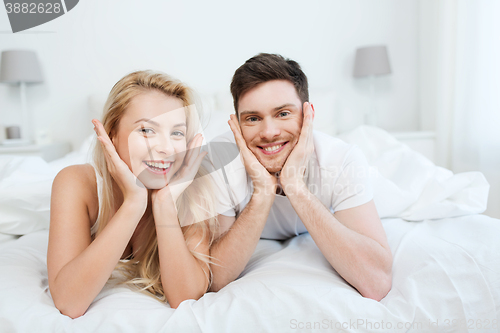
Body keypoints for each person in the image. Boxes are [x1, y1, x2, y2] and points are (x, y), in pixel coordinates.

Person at [208, 53, 393, 300]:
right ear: (237, 126)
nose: (269, 132)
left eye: (283, 113)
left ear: (308, 116)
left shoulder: (341, 159)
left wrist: (294, 185)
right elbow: (214, 279)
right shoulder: (218, 162)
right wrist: (263, 193)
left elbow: (377, 282)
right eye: (253, 119)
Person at [47, 70, 218, 318]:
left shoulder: (195, 188)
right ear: (112, 135)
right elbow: (68, 302)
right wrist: (134, 203)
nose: (166, 148)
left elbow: (184, 297)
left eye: (177, 133)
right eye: (147, 130)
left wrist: (165, 202)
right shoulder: (75, 183)